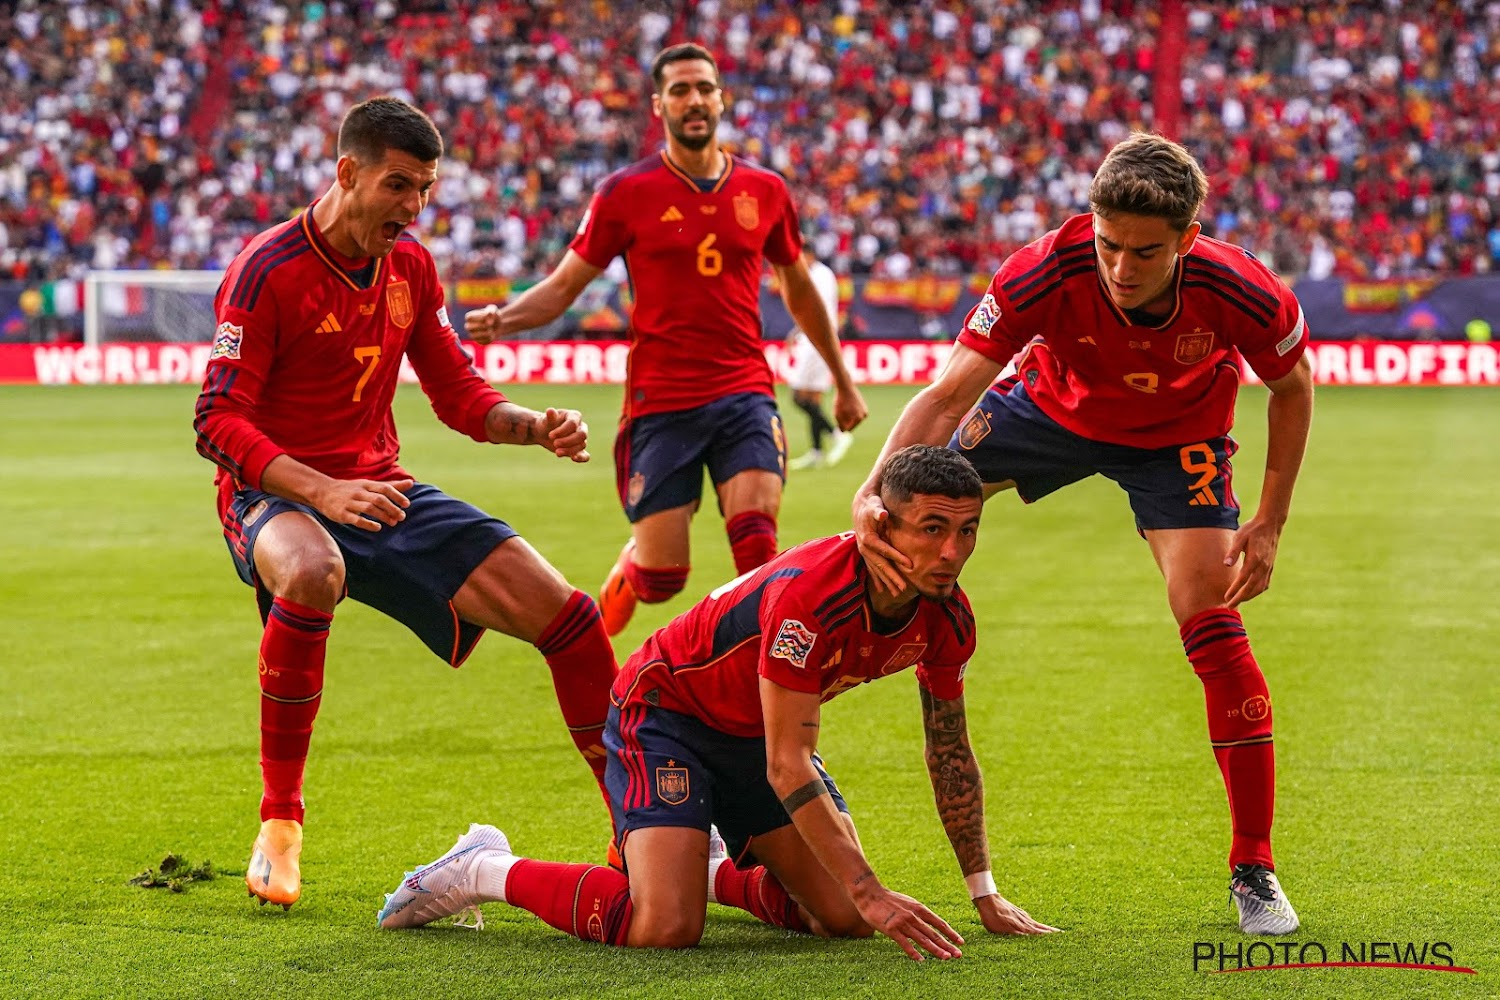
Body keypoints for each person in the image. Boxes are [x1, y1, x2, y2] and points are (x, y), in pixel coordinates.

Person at [853, 133, 1314, 936]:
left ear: (1189, 239)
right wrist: (871, 492)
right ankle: (782, 729)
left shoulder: (1241, 287)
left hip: (1181, 440)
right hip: (1046, 414)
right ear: (1088, 223)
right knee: (893, 530)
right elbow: (946, 395)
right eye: (1107, 245)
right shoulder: (1041, 269)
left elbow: (1292, 387)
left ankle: (1254, 867)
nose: (1121, 269)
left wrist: (1269, 521)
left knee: (1212, 620)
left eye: (1145, 252)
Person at [377, 446, 1058, 958]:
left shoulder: (947, 616)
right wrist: (872, 887)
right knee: (665, 929)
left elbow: (949, 750)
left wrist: (983, 889)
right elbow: (790, 766)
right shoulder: (815, 599)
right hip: (665, 715)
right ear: (882, 522)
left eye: (966, 531)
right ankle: (480, 868)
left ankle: (702, 869)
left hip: (756, 732)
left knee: (842, 921)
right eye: (931, 528)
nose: (951, 551)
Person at [192, 97, 620, 911]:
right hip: (275, 493)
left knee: (571, 619)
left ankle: (632, 827)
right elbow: (216, 420)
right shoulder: (265, 269)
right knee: (314, 571)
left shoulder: (412, 269)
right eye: (398, 186)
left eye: (425, 188)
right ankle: (280, 822)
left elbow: (459, 394)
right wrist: (321, 490)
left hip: (381, 488)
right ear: (347, 172)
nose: (413, 207)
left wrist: (532, 425)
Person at [463, 43, 868, 637]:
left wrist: (844, 382)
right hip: (663, 401)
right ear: (660, 106)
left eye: (704, 87)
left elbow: (801, 290)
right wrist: (506, 320)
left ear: (721, 99)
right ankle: (627, 578)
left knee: (758, 549)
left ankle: (753, 703)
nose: (694, 100)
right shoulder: (626, 192)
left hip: (744, 392)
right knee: (662, 579)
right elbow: (564, 286)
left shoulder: (766, 191)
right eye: (680, 90)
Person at [786, 245, 855, 470]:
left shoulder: (821, 275)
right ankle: (816, 452)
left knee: (797, 396)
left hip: (817, 341)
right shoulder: (819, 274)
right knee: (812, 397)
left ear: (810, 254)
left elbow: (816, 309)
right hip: (814, 338)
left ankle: (837, 434)